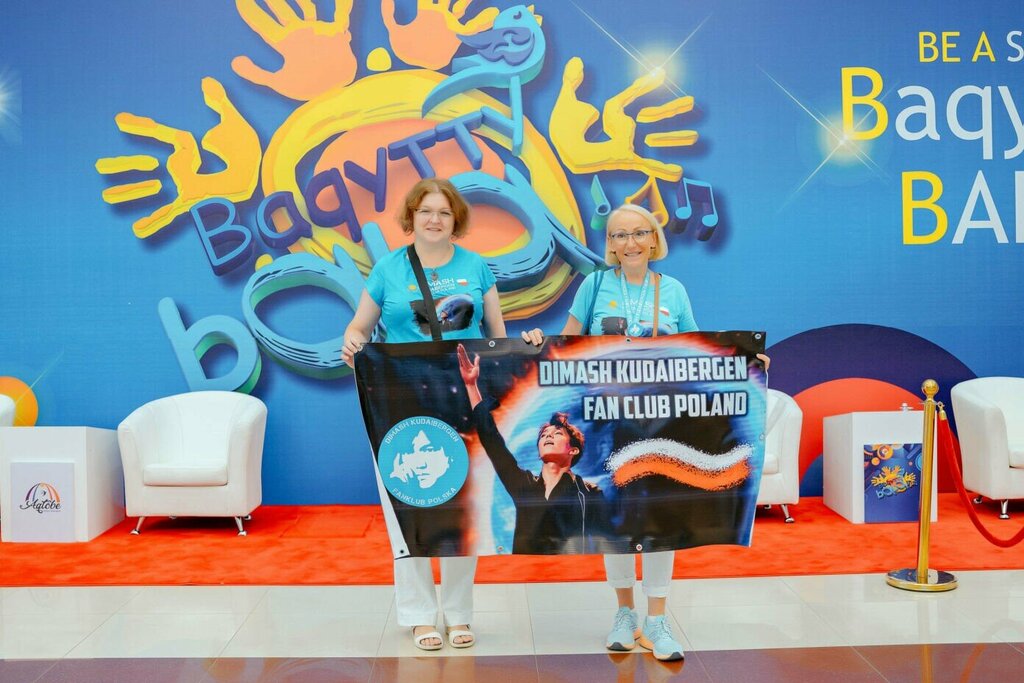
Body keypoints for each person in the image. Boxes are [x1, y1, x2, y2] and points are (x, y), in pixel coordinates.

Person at [558, 203, 770, 662]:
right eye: (619, 235)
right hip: (608, 425)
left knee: (662, 517)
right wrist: (536, 346)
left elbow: (699, 350)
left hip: (664, 427)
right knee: (614, 518)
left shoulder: (672, 290)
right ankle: (624, 613)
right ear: (609, 244)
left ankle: (657, 619)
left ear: (654, 239)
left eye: (639, 233)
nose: (629, 242)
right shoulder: (592, 286)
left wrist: (745, 361)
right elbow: (565, 347)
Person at [343, 177, 542, 652]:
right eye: (426, 211)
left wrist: (527, 345)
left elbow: (497, 338)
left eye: (445, 212)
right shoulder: (388, 269)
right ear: (411, 217)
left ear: (457, 221)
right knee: (407, 508)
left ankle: (458, 614)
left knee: (460, 509)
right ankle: (417, 616)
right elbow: (359, 328)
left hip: (459, 403)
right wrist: (352, 343)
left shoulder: (476, 267)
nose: (435, 219)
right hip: (398, 405)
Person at [457, 343, 608, 554]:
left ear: (573, 450)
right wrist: (471, 385)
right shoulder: (524, 485)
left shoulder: (589, 493)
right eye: (544, 435)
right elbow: (492, 442)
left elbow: (606, 541)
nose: (548, 436)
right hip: (525, 570)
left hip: (570, 569)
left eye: (557, 434)